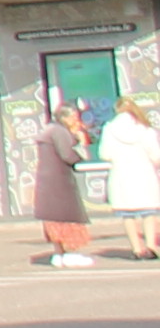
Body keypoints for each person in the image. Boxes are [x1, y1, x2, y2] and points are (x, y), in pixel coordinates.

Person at [33, 98, 96, 267]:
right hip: (59, 182)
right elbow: (68, 155)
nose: (77, 121)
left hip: (49, 182)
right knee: (66, 218)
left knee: (55, 219)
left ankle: (59, 253)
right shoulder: (59, 132)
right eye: (74, 117)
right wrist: (81, 144)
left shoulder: (50, 130)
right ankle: (70, 253)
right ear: (65, 118)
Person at [111, 96, 160, 261]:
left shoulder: (109, 128)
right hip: (144, 174)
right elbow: (156, 156)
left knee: (128, 215)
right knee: (148, 213)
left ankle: (136, 249)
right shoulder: (146, 130)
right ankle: (151, 247)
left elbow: (104, 153)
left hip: (121, 175)